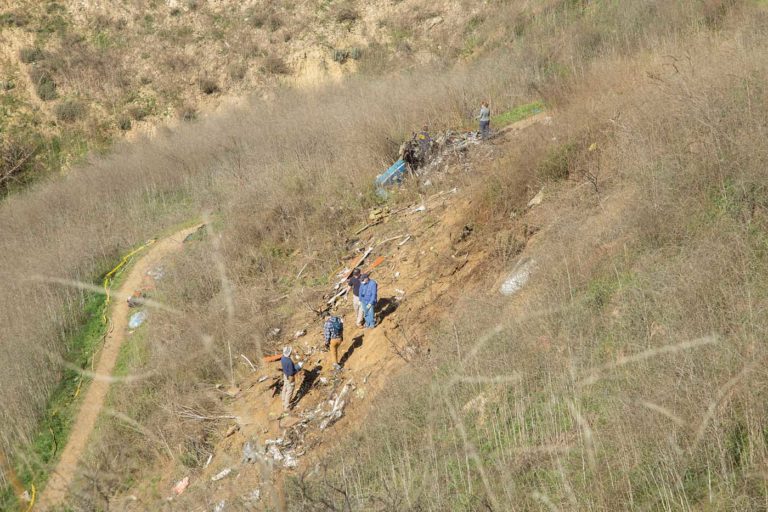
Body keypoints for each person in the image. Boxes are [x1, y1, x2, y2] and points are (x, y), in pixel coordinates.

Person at [280, 346, 302, 412]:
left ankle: (283, 400)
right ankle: (286, 407)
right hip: (290, 377)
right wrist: (298, 367)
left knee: (285, 387)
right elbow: (292, 372)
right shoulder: (289, 361)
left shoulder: (282, 358)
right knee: (289, 391)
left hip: (285, 375)